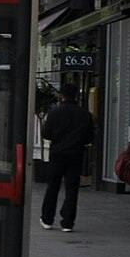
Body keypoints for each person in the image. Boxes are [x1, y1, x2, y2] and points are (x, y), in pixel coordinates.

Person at [39, 87, 96, 232]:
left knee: (53, 186)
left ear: (62, 96)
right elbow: (90, 136)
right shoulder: (85, 114)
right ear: (76, 96)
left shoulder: (54, 112)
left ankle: (47, 219)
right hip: (76, 154)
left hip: (57, 154)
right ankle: (68, 222)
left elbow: (46, 134)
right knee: (72, 189)